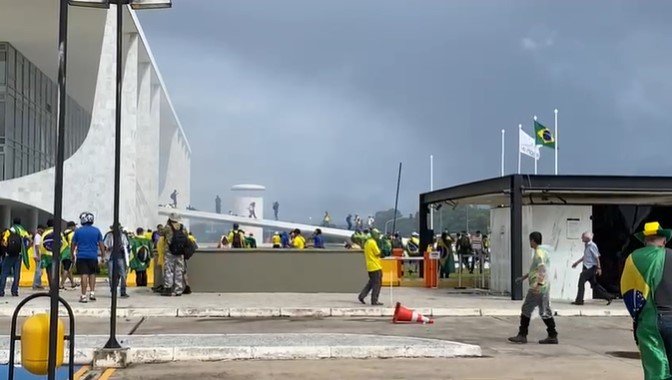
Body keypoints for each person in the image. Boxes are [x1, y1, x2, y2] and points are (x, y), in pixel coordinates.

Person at [621, 222, 672, 379]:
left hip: (650, 321)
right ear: (663, 240)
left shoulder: (633, 258)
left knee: (656, 370)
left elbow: (628, 291)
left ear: (645, 240)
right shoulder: (670, 255)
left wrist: (638, 318)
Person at [508, 231, 558, 344]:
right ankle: (552, 334)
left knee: (526, 309)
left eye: (530, 240)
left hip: (538, 287)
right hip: (543, 287)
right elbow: (534, 269)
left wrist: (538, 285)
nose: (529, 242)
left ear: (533, 241)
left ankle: (522, 334)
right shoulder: (542, 252)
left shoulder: (539, 254)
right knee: (544, 311)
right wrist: (524, 277)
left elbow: (542, 270)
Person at [572, 232, 614, 305]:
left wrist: (599, 268)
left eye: (583, 237)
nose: (582, 239)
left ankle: (579, 300)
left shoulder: (592, 245)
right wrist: (577, 262)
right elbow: (585, 256)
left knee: (581, 281)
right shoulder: (587, 245)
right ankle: (609, 297)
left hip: (591, 268)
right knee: (594, 285)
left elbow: (597, 257)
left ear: (587, 238)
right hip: (587, 267)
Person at [71, 212, 105, 303]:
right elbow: (101, 244)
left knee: (84, 275)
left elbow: (73, 243)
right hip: (93, 256)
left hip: (81, 256)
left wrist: (72, 255)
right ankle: (92, 293)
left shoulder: (78, 231)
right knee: (92, 274)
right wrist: (103, 255)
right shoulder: (96, 230)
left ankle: (83, 296)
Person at [0, 218, 31, 297]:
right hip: (19, 255)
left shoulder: (9, 231)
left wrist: (7, 249)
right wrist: (25, 249)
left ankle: (1, 291)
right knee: (17, 274)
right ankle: (14, 292)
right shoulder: (23, 231)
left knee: (4, 273)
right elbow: (30, 241)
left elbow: (4, 242)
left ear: (13, 222)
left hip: (9, 255)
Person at [160, 213, 189, 296]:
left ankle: (168, 288)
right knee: (179, 270)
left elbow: (161, 233)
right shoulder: (182, 227)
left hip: (169, 251)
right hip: (180, 252)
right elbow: (186, 236)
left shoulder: (168, 227)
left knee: (168, 270)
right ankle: (178, 290)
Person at [103, 225, 131, 298]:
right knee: (111, 275)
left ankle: (123, 291)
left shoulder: (123, 236)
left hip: (120, 257)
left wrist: (124, 248)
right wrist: (107, 248)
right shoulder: (109, 235)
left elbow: (127, 245)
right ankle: (113, 290)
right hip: (111, 257)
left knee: (123, 274)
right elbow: (104, 244)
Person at [358, 228, 384, 306]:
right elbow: (378, 253)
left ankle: (362, 296)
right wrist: (382, 249)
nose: (379, 236)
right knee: (377, 284)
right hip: (375, 266)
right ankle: (374, 300)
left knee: (371, 283)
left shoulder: (367, 242)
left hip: (370, 266)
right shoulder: (373, 243)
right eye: (378, 234)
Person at [59, 221, 78, 290]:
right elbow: (73, 244)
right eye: (74, 226)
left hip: (62, 252)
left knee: (68, 269)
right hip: (69, 252)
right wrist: (73, 254)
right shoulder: (73, 234)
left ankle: (72, 283)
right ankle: (61, 284)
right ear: (72, 227)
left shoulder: (63, 233)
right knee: (66, 268)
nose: (75, 227)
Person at [31, 225, 45, 290]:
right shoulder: (38, 236)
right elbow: (37, 246)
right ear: (39, 230)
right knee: (38, 271)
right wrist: (38, 255)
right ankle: (36, 284)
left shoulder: (38, 236)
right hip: (37, 255)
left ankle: (38, 284)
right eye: (42, 230)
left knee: (39, 270)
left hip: (37, 255)